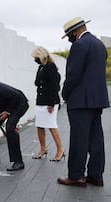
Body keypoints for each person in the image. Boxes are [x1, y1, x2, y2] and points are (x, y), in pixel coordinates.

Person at [57, 17, 109, 187]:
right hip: (98, 100)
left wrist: (64, 94)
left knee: (79, 139)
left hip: (80, 101)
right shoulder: (100, 45)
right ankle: (96, 175)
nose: (70, 39)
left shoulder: (79, 45)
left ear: (74, 31)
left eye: (69, 35)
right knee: (96, 139)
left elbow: (73, 75)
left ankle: (76, 175)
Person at [31, 46, 65, 161]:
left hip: (50, 102)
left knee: (51, 126)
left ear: (41, 56)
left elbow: (53, 87)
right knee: (39, 126)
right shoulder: (41, 67)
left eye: (35, 57)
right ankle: (43, 148)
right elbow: (37, 82)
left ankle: (60, 150)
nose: (34, 59)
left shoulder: (51, 67)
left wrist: (51, 103)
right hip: (41, 101)